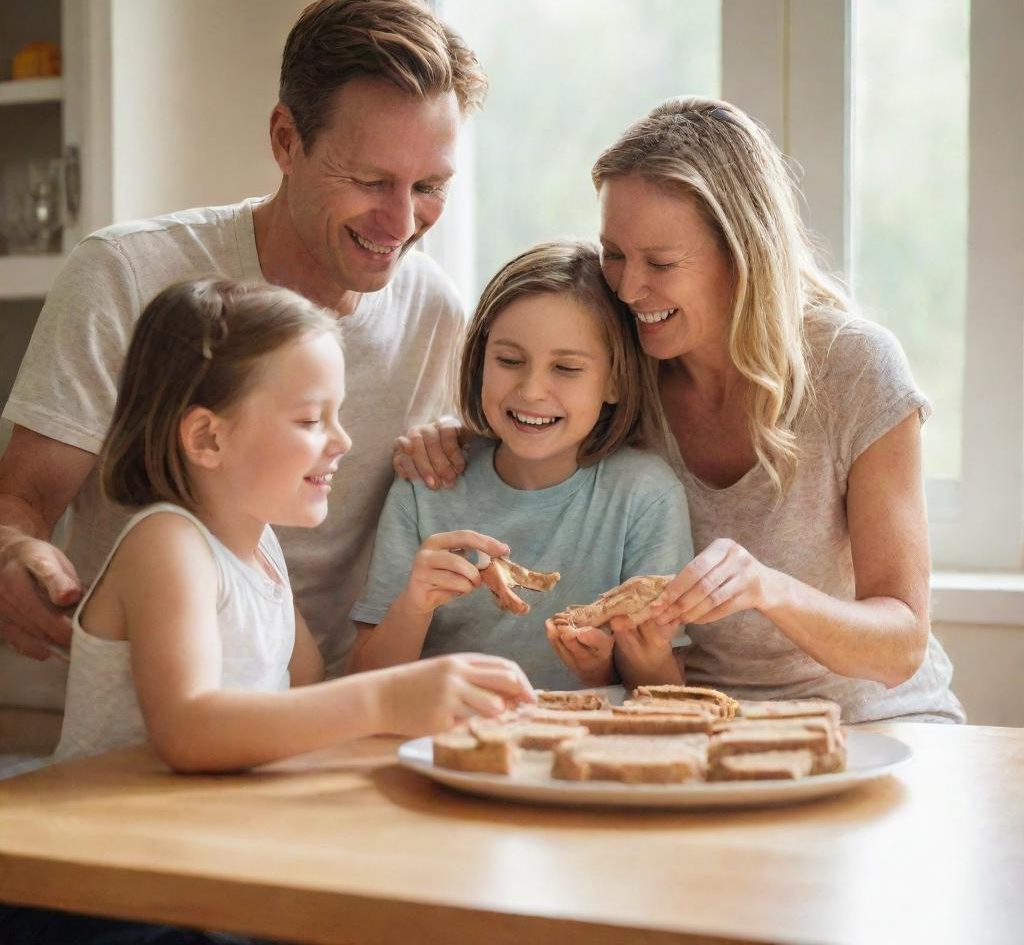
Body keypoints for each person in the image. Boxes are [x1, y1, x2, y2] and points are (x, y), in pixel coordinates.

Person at [396, 97, 964, 724]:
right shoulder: (626, 366)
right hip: (694, 721)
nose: (629, 288)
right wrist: (461, 435)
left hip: (873, 720)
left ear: (742, 255)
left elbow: (902, 645)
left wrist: (769, 589)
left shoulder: (855, 369)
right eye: (614, 253)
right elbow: (534, 408)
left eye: (661, 263)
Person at [0, 0, 483, 712]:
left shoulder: (437, 314)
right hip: (87, 722)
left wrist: (461, 445)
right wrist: (13, 553)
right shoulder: (127, 273)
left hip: (301, 719)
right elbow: (21, 497)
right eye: (372, 180)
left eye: (431, 186)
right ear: (286, 140)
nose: (401, 220)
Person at [54, 278, 532, 770]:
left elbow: (309, 695)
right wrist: (386, 699)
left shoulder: (260, 546)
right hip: (105, 833)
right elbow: (187, 730)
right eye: (310, 421)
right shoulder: (167, 546)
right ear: (208, 439)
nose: (342, 440)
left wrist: (417, 633)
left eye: (337, 415)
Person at [349, 240, 694, 690]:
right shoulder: (427, 485)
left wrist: (598, 670)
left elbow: (667, 695)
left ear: (613, 381)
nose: (531, 391)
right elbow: (365, 684)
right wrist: (414, 605)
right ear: (480, 362)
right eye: (510, 361)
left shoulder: (645, 496)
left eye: (567, 368)